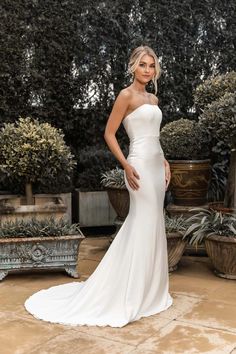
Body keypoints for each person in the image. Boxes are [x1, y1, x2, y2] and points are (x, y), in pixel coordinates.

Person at [24, 45, 173, 328]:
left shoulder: (153, 98)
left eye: (151, 65)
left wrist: (164, 160)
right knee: (142, 220)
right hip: (139, 164)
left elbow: (154, 136)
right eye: (142, 64)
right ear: (133, 67)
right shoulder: (126, 95)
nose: (147, 70)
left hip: (155, 165)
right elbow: (109, 133)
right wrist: (126, 165)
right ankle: (128, 292)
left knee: (154, 223)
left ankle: (151, 291)